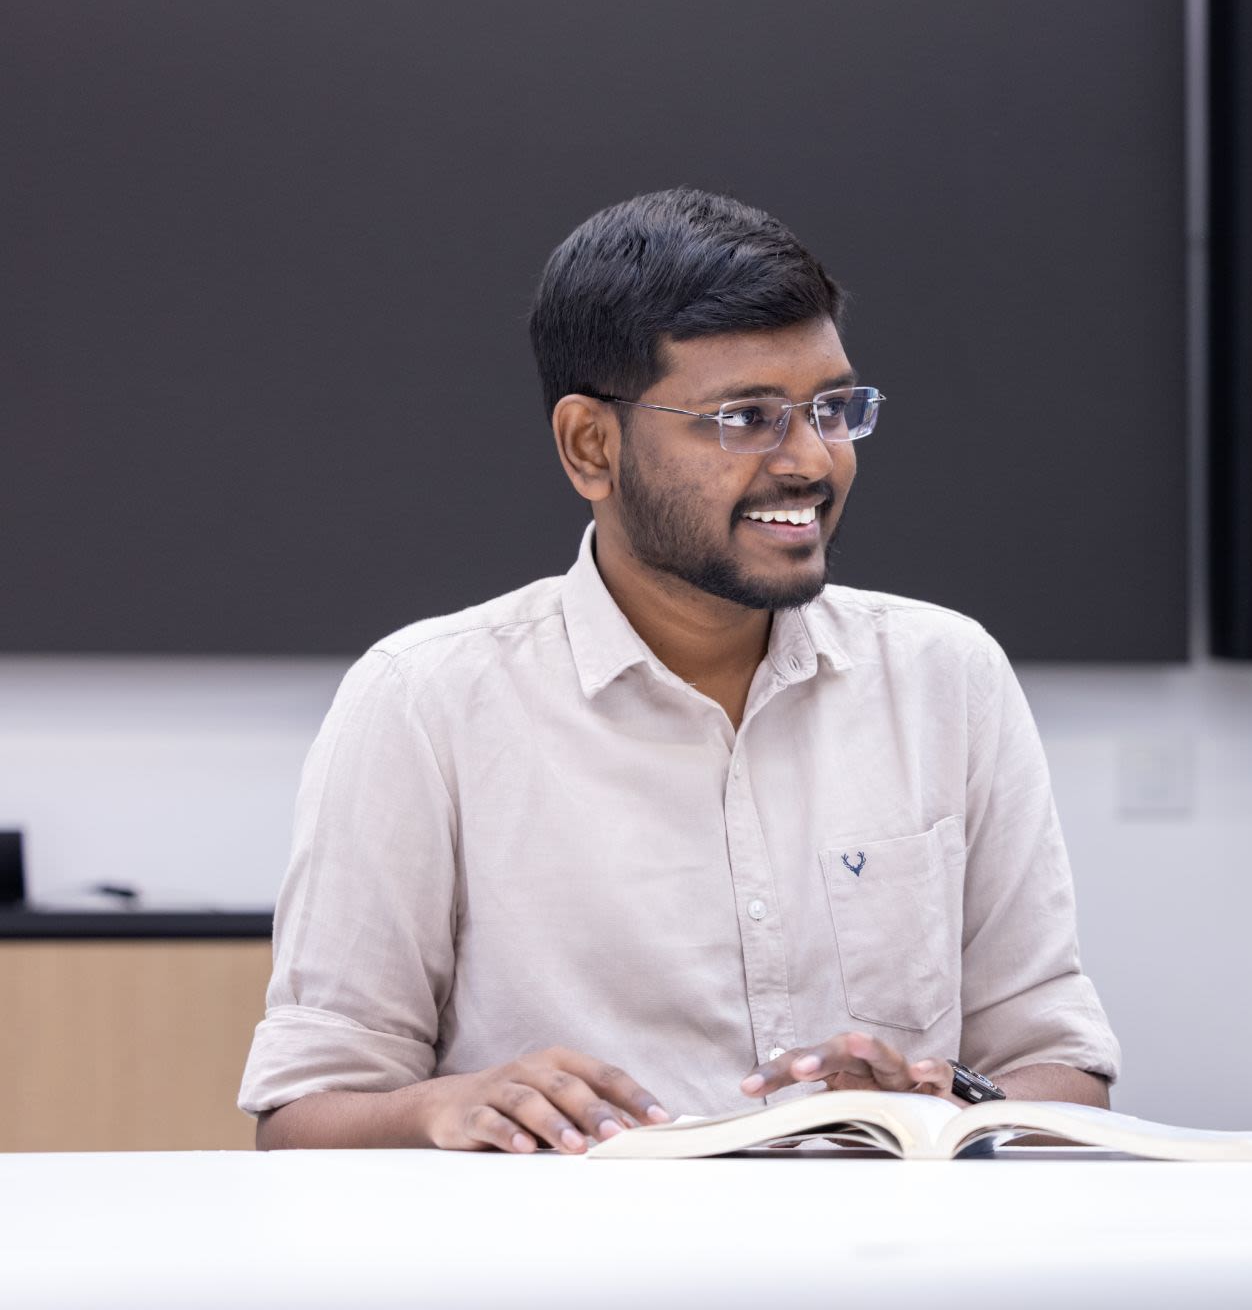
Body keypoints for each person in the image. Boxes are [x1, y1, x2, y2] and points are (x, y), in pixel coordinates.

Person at [242, 189, 1117, 1152]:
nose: (810, 462)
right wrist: (443, 1106)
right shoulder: (424, 702)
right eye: (745, 417)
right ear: (591, 446)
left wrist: (948, 1106)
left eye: (832, 410)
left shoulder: (948, 676)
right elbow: (304, 1120)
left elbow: (1058, 1064)